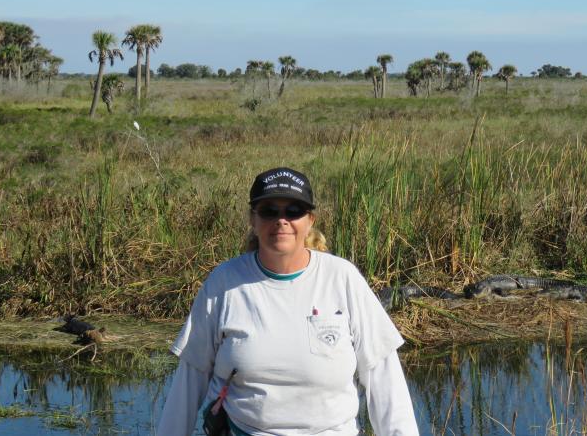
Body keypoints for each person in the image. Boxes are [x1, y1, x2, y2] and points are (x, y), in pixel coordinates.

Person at [157, 167, 419, 436]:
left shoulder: (342, 278)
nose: (281, 220)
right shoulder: (223, 283)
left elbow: (384, 380)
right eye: (269, 210)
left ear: (310, 221)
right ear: (253, 219)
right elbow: (189, 382)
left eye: (293, 211)